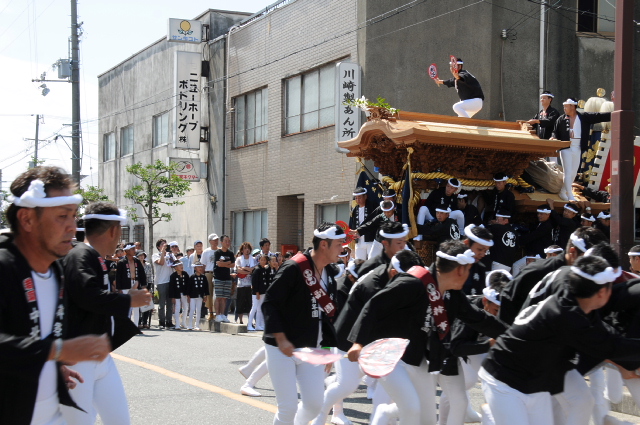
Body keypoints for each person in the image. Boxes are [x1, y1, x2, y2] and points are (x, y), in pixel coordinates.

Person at [348, 240, 505, 425]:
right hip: (388, 353)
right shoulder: (413, 282)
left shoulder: (452, 294)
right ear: (460, 270)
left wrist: (511, 334)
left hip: (417, 357)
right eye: (469, 269)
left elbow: (478, 318)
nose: (469, 274)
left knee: (427, 418)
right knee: (411, 408)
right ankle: (385, 412)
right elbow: (374, 305)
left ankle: (384, 413)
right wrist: (358, 342)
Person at [0, 167, 111, 425]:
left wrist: (52, 365)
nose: (73, 227)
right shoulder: (4, 267)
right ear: (27, 219)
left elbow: (33, 336)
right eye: (62, 216)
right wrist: (57, 350)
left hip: (48, 412)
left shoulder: (55, 271)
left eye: (74, 216)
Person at [479, 255, 640, 425]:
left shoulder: (581, 308)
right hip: (504, 380)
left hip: (537, 381)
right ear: (601, 292)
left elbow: (609, 341)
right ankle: (492, 416)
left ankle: (494, 416)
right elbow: (610, 345)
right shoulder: (566, 314)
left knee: (581, 402)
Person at [61, 203, 152, 425]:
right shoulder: (80, 255)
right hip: (79, 357)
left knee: (119, 420)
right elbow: (88, 296)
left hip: (101, 356)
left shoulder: (94, 256)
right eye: (120, 231)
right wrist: (129, 300)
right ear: (113, 230)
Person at [312, 250, 421, 425]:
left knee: (385, 390)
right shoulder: (374, 286)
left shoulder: (392, 278)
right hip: (351, 339)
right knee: (347, 385)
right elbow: (369, 315)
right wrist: (358, 344)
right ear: (395, 273)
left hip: (378, 343)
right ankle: (320, 414)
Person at [262, 222, 345, 425]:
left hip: (311, 347)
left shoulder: (329, 273)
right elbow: (270, 302)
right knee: (288, 407)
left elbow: (328, 314)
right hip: (282, 348)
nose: (342, 249)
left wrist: (327, 348)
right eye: (339, 244)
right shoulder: (294, 267)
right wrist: (281, 338)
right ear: (324, 245)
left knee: (315, 404)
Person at [499, 226, 608, 325]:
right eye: (589, 260)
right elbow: (507, 301)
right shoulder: (538, 272)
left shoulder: (590, 281)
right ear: (573, 252)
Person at [550, 98, 612, 201]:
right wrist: (553, 137)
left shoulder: (583, 117)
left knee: (573, 172)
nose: (564, 108)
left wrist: (615, 113)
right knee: (568, 171)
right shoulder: (561, 119)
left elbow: (599, 116)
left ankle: (562, 192)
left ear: (572, 107)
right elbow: (555, 131)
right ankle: (569, 194)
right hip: (566, 147)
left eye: (566, 106)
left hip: (577, 147)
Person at [115, 242, 146, 327]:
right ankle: (126, 326)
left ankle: (135, 326)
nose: (134, 250)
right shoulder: (122, 262)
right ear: (127, 251)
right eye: (132, 249)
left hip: (135, 283)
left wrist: (143, 285)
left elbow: (142, 274)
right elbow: (118, 276)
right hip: (125, 285)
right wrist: (119, 288)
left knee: (136, 307)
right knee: (127, 306)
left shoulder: (137, 261)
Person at [461, 224, 494, 296]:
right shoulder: (450, 264)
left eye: (485, 251)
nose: (482, 254)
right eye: (480, 249)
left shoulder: (480, 268)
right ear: (466, 243)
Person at [153, 238, 174, 329]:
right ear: (158, 247)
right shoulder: (155, 255)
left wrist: (171, 253)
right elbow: (161, 262)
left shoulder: (170, 255)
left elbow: (174, 264)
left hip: (170, 281)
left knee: (170, 304)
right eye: (162, 244)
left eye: (165, 244)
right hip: (161, 282)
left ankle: (169, 321)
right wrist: (162, 252)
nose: (164, 246)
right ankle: (161, 322)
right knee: (162, 303)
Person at [349, 187, 375, 260]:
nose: (358, 200)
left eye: (359, 197)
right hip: (359, 241)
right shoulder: (355, 209)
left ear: (365, 196)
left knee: (372, 261)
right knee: (359, 261)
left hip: (370, 239)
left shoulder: (372, 207)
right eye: (356, 198)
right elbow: (353, 223)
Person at [214, 235, 235, 323]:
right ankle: (217, 315)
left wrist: (224, 264)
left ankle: (223, 314)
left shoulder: (230, 253)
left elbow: (233, 265)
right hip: (218, 277)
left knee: (225, 298)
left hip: (227, 277)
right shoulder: (217, 252)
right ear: (221, 242)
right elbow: (218, 264)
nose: (228, 243)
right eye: (226, 241)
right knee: (218, 297)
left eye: (229, 241)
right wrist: (227, 263)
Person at [235, 242, 256, 326]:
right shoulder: (239, 259)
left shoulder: (253, 259)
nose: (247, 250)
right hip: (241, 284)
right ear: (242, 250)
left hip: (250, 284)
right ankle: (240, 320)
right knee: (240, 302)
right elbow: (238, 270)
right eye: (245, 248)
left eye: (248, 248)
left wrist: (244, 269)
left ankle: (250, 320)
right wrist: (248, 271)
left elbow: (254, 269)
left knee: (249, 303)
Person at [201, 233, 219, 319]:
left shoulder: (220, 251)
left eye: (217, 240)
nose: (216, 241)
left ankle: (218, 312)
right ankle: (211, 312)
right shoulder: (206, 252)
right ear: (210, 241)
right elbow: (203, 265)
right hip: (208, 272)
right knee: (209, 293)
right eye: (214, 240)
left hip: (218, 273)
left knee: (217, 294)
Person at [186, 262, 209, 330]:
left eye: (201, 267)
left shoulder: (204, 277)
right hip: (193, 296)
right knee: (192, 309)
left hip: (200, 296)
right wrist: (188, 296)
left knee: (198, 310)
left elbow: (206, 287)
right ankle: (190, 325)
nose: (200, 268)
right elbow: (189, 287)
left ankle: (197, 325)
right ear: (195, 268)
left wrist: (205, 295)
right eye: (198, 267)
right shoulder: (192, 277)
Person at [249, 255, 269, 331]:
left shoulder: (264, 269)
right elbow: (254, 282)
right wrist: (257, 292)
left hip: (263, 291)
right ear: (259, 260)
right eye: (262, 260)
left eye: (264, 260)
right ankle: (249, 324)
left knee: (260, 308)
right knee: (254, 307)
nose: (263, 261)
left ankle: (258, 325)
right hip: (256, 292)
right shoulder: (257, 269)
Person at [168, 261, 189, 330]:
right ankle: (177, 323)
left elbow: (188, 285)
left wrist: (188, 294)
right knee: (177, 308)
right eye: (179, 265)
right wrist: (172, 297)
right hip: (176, 294)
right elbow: (171, 287)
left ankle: (183, 322)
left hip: (184, 293)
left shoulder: (185, 274)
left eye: (182, 265)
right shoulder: (173, 276)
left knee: (185, 307)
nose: (181, 266)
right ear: (175, 267)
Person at [137, 251, 154, 329]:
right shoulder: (136, 265)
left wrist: (149, 288)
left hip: (146, 286)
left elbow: (150, 277)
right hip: (138, 286)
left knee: (147, 304)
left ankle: (145, 322)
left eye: (143, 255)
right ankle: (139, 321)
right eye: (140, 255)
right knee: (138, 305)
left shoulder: (148, 265)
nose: (141, 257)